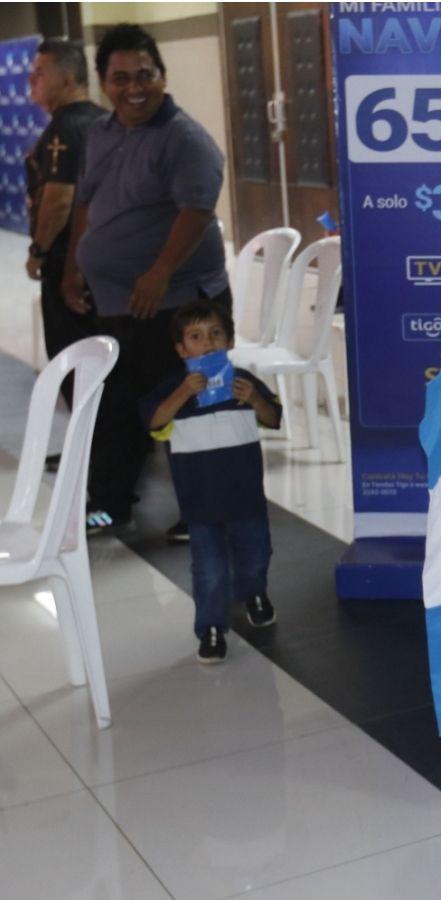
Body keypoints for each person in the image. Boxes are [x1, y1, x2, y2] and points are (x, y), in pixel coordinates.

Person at [61, 23, 230, 541]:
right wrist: (73, 266)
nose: (135, 87)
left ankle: (209, 514)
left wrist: (159, 273)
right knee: (117, 404)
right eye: (121, 78)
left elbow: (196, 212)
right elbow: (86, 203)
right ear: (103, 82)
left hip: (179, 301)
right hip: (118, 301)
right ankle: (110, 504)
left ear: (162, 75)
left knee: (193, 405)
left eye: (145, 75)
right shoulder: (102, 132)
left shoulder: (185, 139)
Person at [140, 300, 281, 663]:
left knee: (255, 555)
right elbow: (154, 420)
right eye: (196, 336)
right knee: (210, 570)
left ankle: (254, 593)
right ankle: (212, 628)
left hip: (246, 496)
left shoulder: (244, 383)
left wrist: (255, 400)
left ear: (230, 341)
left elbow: (274, 418)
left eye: (216, 334)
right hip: (200, 503)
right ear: (181, 349)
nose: (207, 343)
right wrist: (183, 393)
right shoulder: (173, 389)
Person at [25, 39, 105, 418]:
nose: (31, 81)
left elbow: (58, 200)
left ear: (69, 78)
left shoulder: (65, 128)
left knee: (73, 353)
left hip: (68, 263)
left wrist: (38, 251)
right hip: (102, 258)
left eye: (41, 73)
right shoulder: (103, 121)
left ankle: (90, 439)